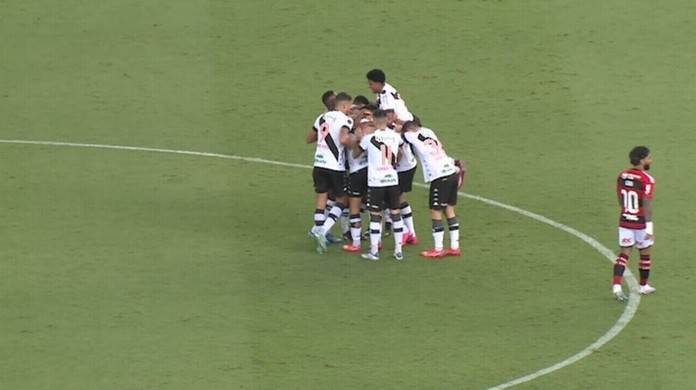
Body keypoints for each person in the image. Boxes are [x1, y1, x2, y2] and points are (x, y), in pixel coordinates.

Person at [305, 92, 358, 254]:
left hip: (318, 163)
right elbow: (343, 139)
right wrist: (355, 141)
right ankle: (322, 230)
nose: (350, 109)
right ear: (343, 106)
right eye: (349, 106)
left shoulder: (321, 117)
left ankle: (320, 231)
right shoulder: (345, 120)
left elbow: (309, 138)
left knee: (321, 199)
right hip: (335, 166)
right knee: (342, 199)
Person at [401, 121, 461, 258]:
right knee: (449, 209)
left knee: (435, 210)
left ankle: (438, 248)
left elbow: (402, 137)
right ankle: (454, 247)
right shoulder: (428, 131)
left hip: (439, 176)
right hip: (451, 172)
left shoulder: (410, 135)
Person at [353, 109, 405, 261]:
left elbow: (356, 155)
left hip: (376, 182)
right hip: (392, 180)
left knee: (375, 215)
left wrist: (358, 139)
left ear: (375, 122)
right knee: (395, 214)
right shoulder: (395, 137)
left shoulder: (369, 138)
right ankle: (398, 250)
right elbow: (400, 154)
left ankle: (374, 251)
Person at [612, 146, 656, 301]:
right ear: (642, 159)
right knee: (645, 253)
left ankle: (616, 286)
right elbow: (647, 203)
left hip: (625, 219)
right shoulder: (647, 179)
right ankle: (643, 286)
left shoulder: (622, 175)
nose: (650, 160)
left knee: (624, 253)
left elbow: (619, 196)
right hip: (641, 223)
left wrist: (626, 211)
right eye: (649, 158)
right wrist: (649, 226)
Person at [341, 106, 375, 252]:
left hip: (356, 173)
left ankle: (355, 243)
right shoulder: (374, 134)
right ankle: (377, 241)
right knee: (374, 208)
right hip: (370, 173)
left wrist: (357, 138)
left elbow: (352, 152)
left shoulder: (352, 133)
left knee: (354, 208)